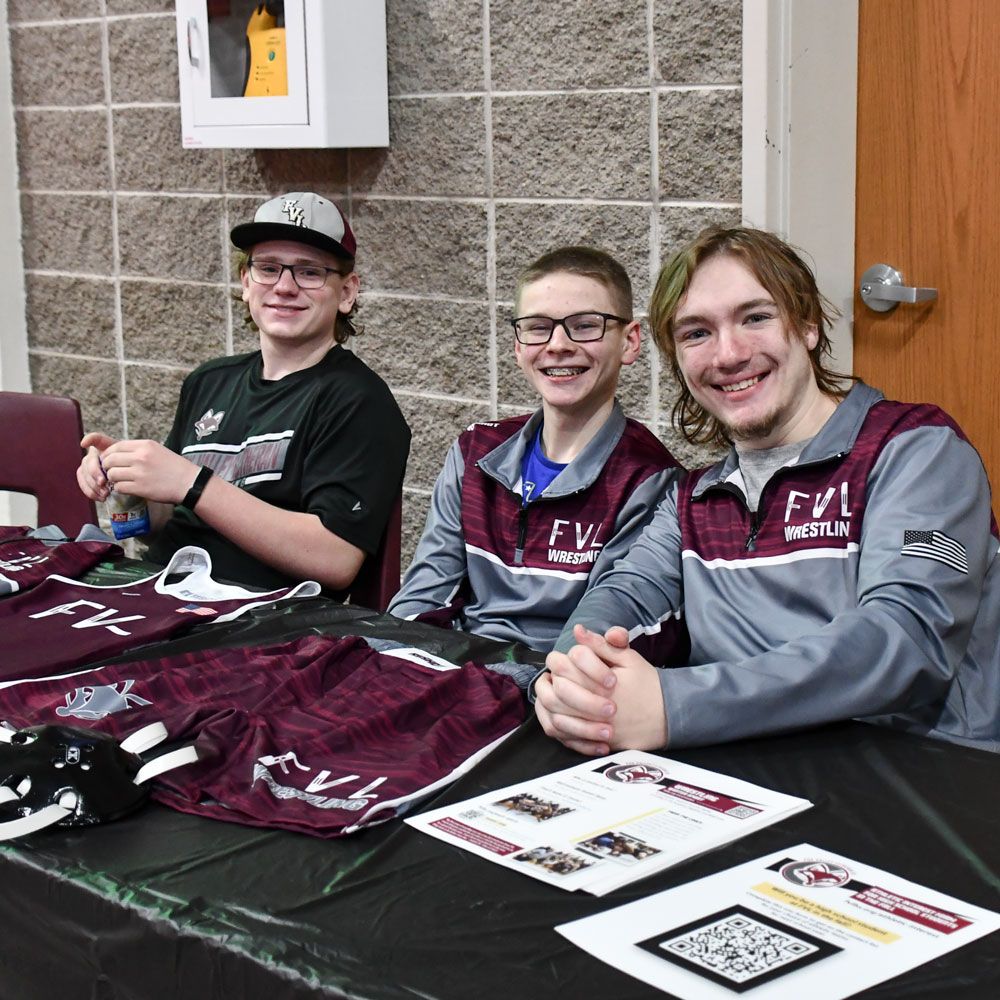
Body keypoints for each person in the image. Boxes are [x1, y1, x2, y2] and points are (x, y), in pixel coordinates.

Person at [536, 226, 999, 754]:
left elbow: (909, 637)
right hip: (747, 769)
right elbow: (621, 595)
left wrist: (677, 705)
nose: (729, 354)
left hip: (919, 770)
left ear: (807, 325)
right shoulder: (691, 500)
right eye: (696, 333)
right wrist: (574, 677)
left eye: (755, 318)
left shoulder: (918, 452)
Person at [76, 192, 411, 592]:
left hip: (261, 616)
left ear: (346, 292)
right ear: (246, 282)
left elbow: (335, 559)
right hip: (162, 589)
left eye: (309, 272)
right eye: (268, 268)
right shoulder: (209, 381)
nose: (284, 287)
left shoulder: (359, 402)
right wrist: (128, 484)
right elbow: (168, 523)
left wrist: (193, 483)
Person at [388, 246, 684, 653]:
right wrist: (394, 663)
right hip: (452, 669)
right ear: (517, 345)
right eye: (538, 327)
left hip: (549, 680)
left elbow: (597, 635)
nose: (558, 344)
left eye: (585, 325)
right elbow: (424, 596)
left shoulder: (650, 482)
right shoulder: (475, 453)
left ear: (629, 342)